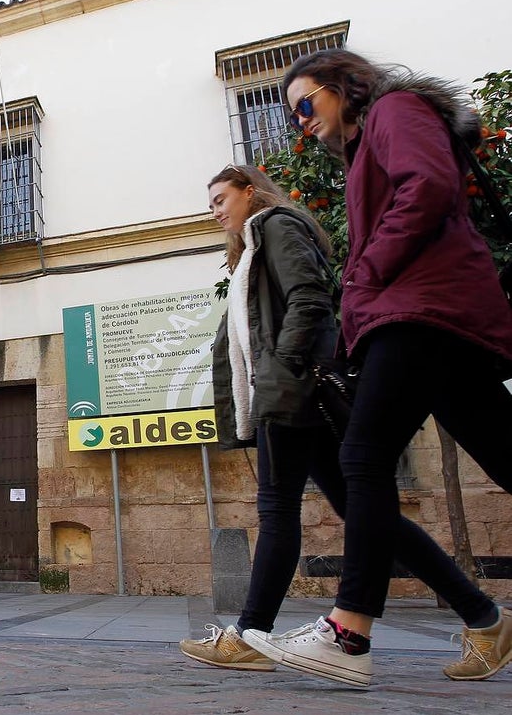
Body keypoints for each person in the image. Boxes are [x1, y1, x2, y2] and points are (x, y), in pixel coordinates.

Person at [242, 49, 512, 687]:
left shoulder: (396, 108)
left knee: (363, 460)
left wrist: (366, 275)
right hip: (430, 313)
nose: (301, 121)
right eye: (294, 114)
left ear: (345, 86)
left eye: (306, 104)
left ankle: (348, 631)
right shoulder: (369, 145)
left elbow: (429, 187)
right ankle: (486, 625)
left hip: (422, 310)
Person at [179, 164, 506, 685]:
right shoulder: (247, 251)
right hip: (287, 391)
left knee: (280, 508)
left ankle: (249, 635)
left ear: (249, 192)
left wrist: (282, 372)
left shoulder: (275, 226)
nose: (214, 209)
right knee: (363, 512)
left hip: (292, 390)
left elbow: (310, 298)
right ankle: (484, 618)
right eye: (210, 202)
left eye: (221, 198)